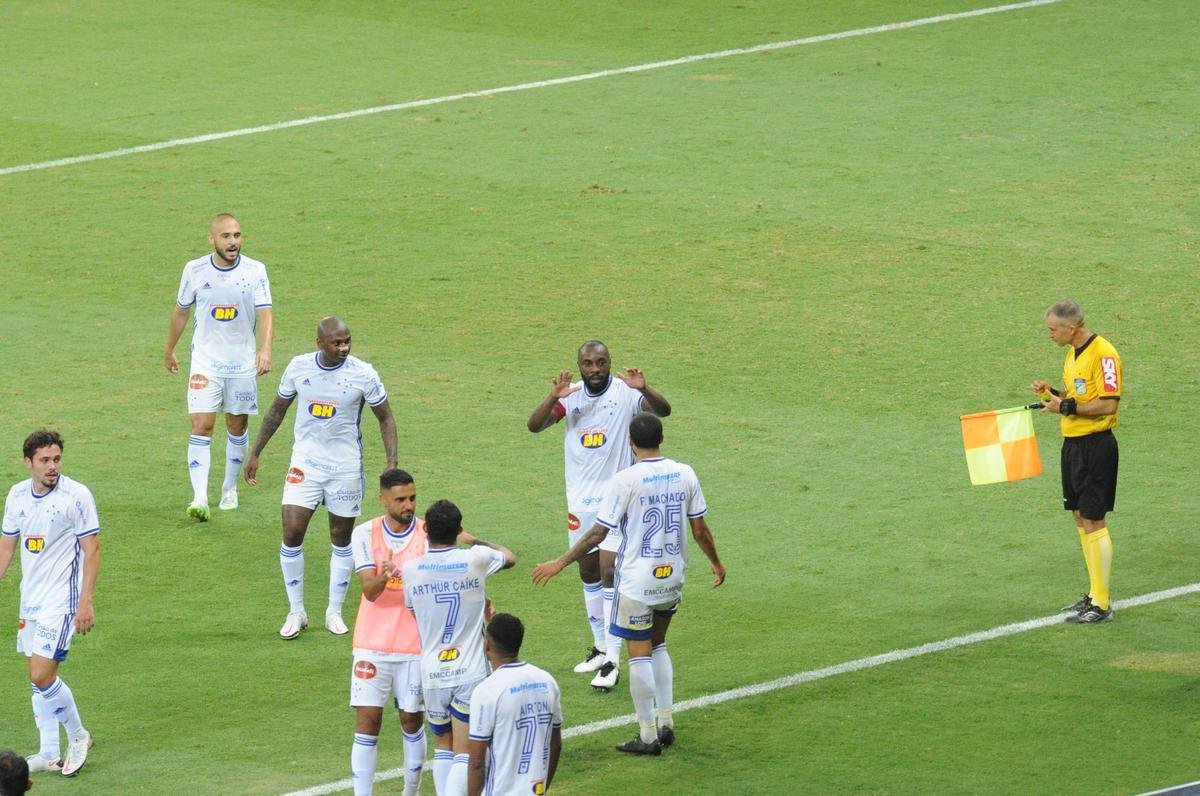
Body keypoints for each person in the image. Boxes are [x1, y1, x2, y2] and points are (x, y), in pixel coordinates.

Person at [532, 412, 725, 755]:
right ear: (662, 439)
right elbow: (700, 529)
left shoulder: (624, 480)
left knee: (639, 656)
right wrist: (715, 562)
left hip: (638, 581)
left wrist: (561, 561)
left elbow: (598, 532)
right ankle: (667, 723)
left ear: (630, 443)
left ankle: (648, 735)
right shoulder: (685, 473)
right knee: (659, 645)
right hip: (673, 576)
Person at [525, 340, 671, 690]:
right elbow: (534, 426)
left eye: (600, 362)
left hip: (618, 498)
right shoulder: (571, 396)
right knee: (588, 571)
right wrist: (553, 397)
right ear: (579, 365)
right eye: (588, 363)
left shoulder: (625, 393)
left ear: (610, 363)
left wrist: (645, 387)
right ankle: (600, 646)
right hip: (580, 500)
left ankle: (612, 661)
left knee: (609, 572)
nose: (594, 369)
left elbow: (662, 412)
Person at [244, 316, 398, 639]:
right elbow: (277, 410)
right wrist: (256, 451)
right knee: (292, 529)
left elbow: (385, 417)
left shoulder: (363, 373)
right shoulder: (299, 368)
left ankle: (334, 612)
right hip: (306, 464)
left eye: (347, 341)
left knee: (341, 539)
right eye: (337, 343)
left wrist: (391, 461)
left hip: (345, 466)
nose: (344, 348)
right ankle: (296, 611)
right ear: (319, 343)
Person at [0, 430, 101, 777]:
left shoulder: (76, 496)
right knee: (35, 679)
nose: (52, 466)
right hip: (30, 601)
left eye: (56, 459)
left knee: (42, 674)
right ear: (28, 462)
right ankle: (48, 751)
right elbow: (6, 547)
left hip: (62, 602)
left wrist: (85, 601)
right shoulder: (16, 496)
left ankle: (77, 734)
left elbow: (92, 549)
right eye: (44, 460)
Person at [164, 213, 274, 521]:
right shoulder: (194, 270)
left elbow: (266, 313)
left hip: (241, 365)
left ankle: (229, 488)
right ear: (211, 239)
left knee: (237, 427)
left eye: (237, 235)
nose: (233, 242)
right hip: (205, 363)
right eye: (226, 236)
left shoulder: (255, 271)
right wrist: (169, 349)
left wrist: (265, 350)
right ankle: (199, 497)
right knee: (202, 425)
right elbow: (181, 312)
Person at [404, 500, 515, 796]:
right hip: (470, 670)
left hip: (432, 671)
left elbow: (415, 613)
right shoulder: (475, 558)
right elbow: (509, 557)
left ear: (425, 529)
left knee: (443, 743)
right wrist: (474, 540)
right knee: (466, 749)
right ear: (459, 530)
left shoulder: (411, 569)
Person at [1031, 299, 1122, 623]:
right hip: (1073, 445)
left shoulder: (1104, 354)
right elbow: (1076, 398)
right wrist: (1051, 395)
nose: (1050, 335)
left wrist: (1065, 408)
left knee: (1094, 520)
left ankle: (1102, 603)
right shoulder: (1072, 355)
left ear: (1072, 328)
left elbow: (1108, 405)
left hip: (1096, 446)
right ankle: (1094, 595)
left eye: (1053, 329)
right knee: (1081, 518)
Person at [348, 469, 428, 796]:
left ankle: (411, 792)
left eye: (412, 498)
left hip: (414, 645)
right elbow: (369, 590)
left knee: (411, 721)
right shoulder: (364, 534)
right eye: (400, 499)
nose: (408, 505)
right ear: (383, 500)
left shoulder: (428, 532)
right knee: (368, 722)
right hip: (372, 644)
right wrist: (386, 574)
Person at [466, 613, 562, 796]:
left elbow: (476, 762)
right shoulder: (547, 681)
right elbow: (555, 744)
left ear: (487, 644)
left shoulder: (486, 691)